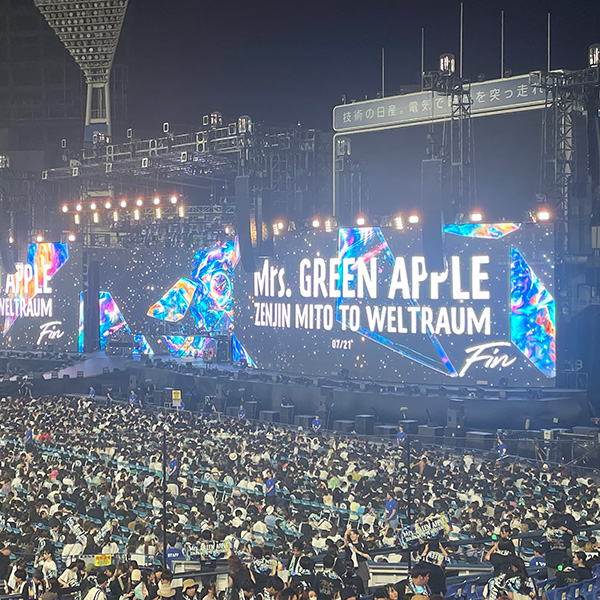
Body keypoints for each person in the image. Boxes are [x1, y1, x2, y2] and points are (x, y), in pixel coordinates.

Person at [344, 529, 370, 593]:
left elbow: (368, 556)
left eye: (353, 534)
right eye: (350, 535)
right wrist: (346, 534)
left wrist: (357, 551)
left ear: (357, 535)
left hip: (362, 565)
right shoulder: (349, 545)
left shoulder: (362, 544)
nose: (352, 536)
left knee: (364, 586)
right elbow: (345, 543)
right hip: (352, 566)